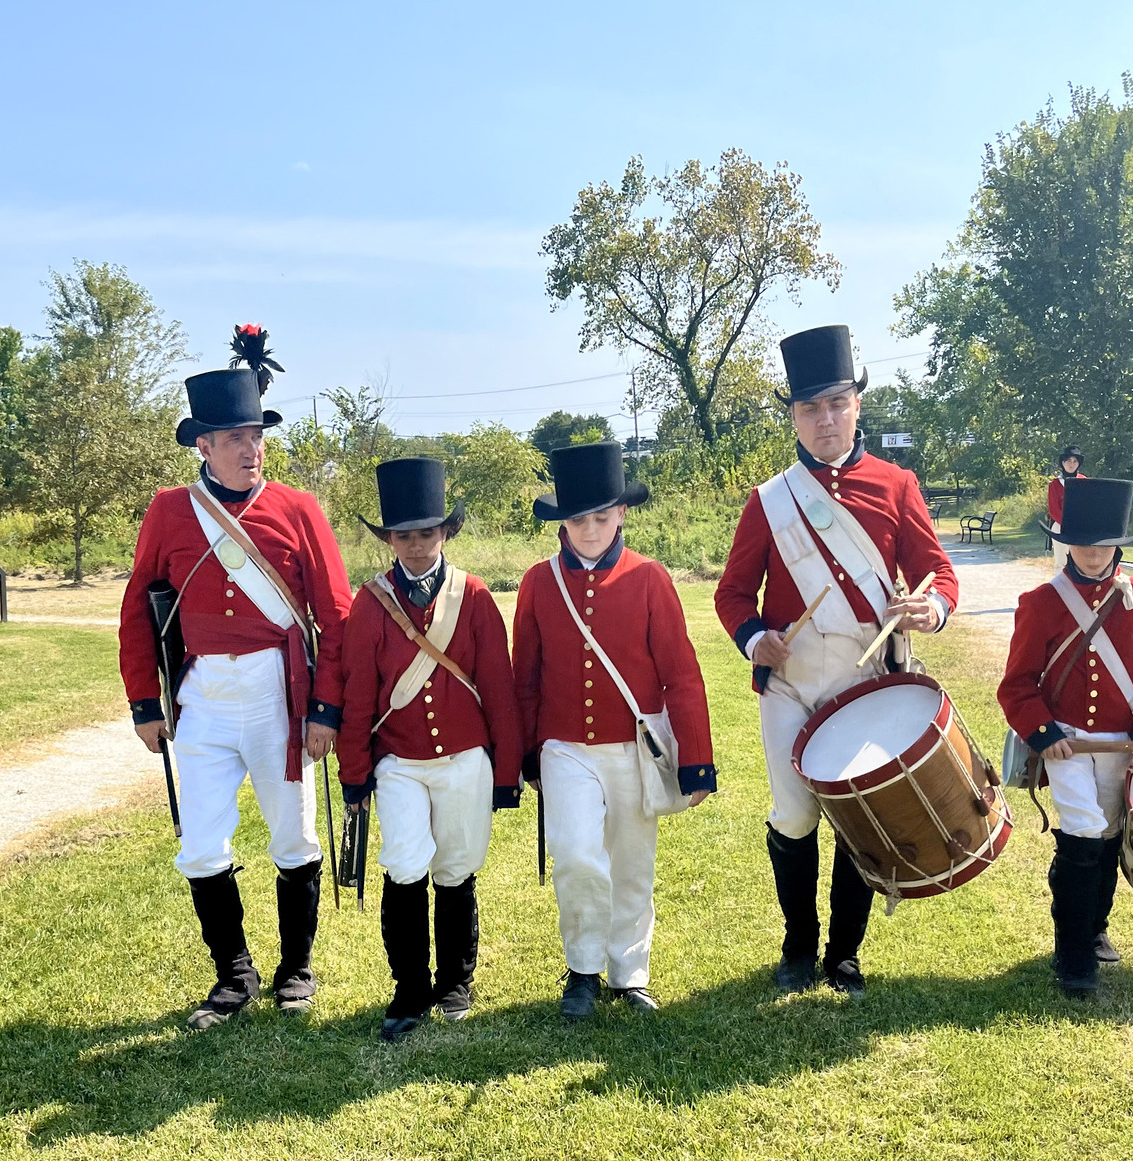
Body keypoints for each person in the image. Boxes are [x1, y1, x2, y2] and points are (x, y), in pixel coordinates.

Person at [712, 324, 959, 999]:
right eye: (810, 408)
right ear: (793, 415)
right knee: (794, 817)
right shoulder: (769, 500)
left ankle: (842, 954)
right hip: (792, 681)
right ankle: (797, 945)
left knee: (860, 817)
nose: (825, 419)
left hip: (867, 678)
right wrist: (753, 635)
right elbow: (733, 595)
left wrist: (930, 609)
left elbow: (937, 573)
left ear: (857, 405)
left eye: (837, 404)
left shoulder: (897, 484)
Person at [119, 326, 352, 1032]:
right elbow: (138, 606)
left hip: (280, 695)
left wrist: (326, 709)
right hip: (203, 699)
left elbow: (334, 616)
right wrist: (143, 701)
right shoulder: (169, 511)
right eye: (236, 438)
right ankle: (234, 973)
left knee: (294, 839)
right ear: (204, 446)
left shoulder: (299, 509)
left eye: (256, 435)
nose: (252, 449)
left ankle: (296, 967)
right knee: (200, 845)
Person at [514, 441, 716, 1020]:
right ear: (562, 522)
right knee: (577, 856)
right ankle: (581, 970)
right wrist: (526, 754)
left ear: (621, 513)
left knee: (632, 862)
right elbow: (523, 676)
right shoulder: (537, 581)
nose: (590, 529)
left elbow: (681, 673)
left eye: (601, 516)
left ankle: (629, 973)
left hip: (634, 746)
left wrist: (696, 760)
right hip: (562, 746)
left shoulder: (651, 578)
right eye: (578, 518)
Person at [338, 457, 522, 1043]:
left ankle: (456, 980)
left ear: (446, 532)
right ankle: (410, 987)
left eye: (426, 532)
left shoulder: (473, 596)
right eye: (404, 535)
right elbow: (358, 694)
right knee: (405, 863)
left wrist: (506, 769)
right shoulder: (370, 604)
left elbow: (498, 687)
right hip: (398, 763)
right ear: (389, 539)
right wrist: (354, 772)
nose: (415, 545)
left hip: (466, 759)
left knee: (457, 866)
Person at [998, 478, 1133, 997]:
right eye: (1082, 542)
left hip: (1123, 744)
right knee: (1080, 834)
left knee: (1107, 840)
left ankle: (1095, 926)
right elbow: (1017, 686)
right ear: (1064, 542)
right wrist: (1044, 732)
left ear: (1118, 544)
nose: (1093, 553)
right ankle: (1073, 954)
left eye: (1102, 543)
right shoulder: (1040, 600)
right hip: (1068, 743)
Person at [1046, 446, 1084, 535]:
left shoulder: (1085, 481)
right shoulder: (1054, 484)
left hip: (1083, 523)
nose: (1072, 464)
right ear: (1063, 463)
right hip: (1061, 523)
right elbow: (1054, 510)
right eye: (1069, 461)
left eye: (1075, 461)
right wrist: (1069, 524)